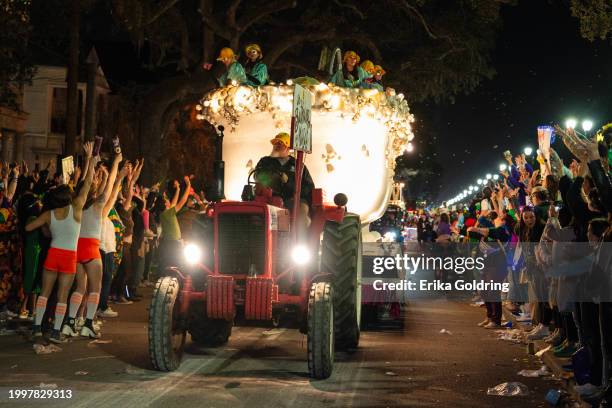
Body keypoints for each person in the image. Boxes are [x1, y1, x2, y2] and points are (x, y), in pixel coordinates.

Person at [25, 142, 99, 343]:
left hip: (53, 254)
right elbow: (88, 183)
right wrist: (91, 159)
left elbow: (28, 228)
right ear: (68, 197)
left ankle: (37, 327)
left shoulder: (49, 213)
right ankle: (57, 331)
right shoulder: (76, 209)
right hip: (69, 258)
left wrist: (45, 228)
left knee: (45, 293)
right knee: (62, 296)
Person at [62, 151, 122, 339]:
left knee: (80, 288)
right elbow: (110, 186)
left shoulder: (75, 206)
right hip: (92, 250)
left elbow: (86, 185)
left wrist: (90, 163)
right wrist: (116, 164)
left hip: (76, 249)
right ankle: (88, 323)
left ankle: (69, 323)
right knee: (94, 289)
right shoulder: (97, 207)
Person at [254, 132, 314, 237]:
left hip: (292, 200)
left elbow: (308, 187)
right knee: (254, 216)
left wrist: (288, 182)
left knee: (301, 215)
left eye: (280, 143)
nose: (276, 145)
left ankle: (300, 244)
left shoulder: (298, 164)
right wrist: (270, 178)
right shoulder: (265, 161)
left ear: (288, 147)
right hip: (269, 199)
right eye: (275, 143)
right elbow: (257, 175)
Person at [158, 176, 192, 274]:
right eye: (167, 200)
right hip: (173, 243)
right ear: (165, 204)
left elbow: (174, 203)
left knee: (169, 263)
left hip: (170, 242)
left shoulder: (165, 213)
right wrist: (188, 185)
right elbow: (183, 200)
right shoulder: (168, 213)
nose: (169, 200)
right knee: (179, 265)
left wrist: (178, 189)